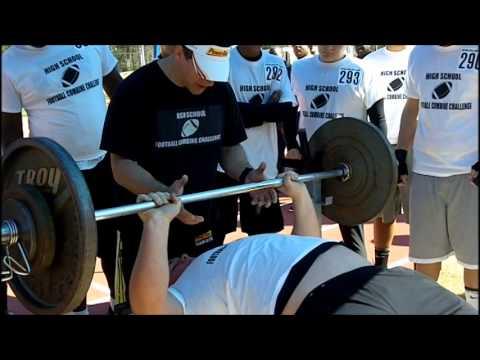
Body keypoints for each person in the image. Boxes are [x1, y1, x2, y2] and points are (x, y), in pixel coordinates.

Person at [128, 172, 476, 315]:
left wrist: (298, 193)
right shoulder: (187, 293)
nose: (182, 257)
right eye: (170, 262)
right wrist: (157, 227)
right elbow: (148, 306)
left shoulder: (226, 255)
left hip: (382, 280)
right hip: (337, 303)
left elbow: (308, 244)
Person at [100, 45, 276, 313]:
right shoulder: (135, 90)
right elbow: (121, 166)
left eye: (215, 73)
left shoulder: (220, 89)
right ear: (180, 52)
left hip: (201, 220)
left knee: (205, 302)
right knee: (140, 307)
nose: (208, 80)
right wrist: (164, 195)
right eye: (204, 72)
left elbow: (229, 149)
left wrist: (247, 175)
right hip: (145, 226)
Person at [1, 45, 123, 315]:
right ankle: (75, 310)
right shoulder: (9, 64)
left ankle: (120, 305)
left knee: (116, 244)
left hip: (109, 164)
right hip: (58, 178)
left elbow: (122, 94)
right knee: (70, 253)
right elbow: (12, 139)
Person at [396, 45, 478, 309]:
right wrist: (401, 153)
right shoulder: (418, 53)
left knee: (475, 260)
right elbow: (412, 106)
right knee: (425, 259)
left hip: (470, 174)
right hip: (425, 172)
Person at [290, 45, 387, 258]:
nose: (328, 47)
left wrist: (381, 161)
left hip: (348, 163)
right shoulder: (298, 68)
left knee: (352, 233)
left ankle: (359, 277)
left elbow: (378, 119)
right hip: (310, 156)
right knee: (307, 231)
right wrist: (291, 145)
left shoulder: (364, 70)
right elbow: (290, 110)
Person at [213, 45, 298, 239]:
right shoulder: (223, 60)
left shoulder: (276, 63)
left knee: (264, 238)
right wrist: (266, 111)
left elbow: (286, 110)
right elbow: (221, 112)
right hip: (224, 166)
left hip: (263, 166)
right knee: (215, 235)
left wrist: (246, 112)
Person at [363, 45, 415, 267]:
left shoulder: (418, 55)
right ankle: (380, 268)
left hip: (415, 145)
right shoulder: (370, 61)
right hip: (381, 144)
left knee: (419, 212)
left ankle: (422, 269)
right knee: (385, 213)